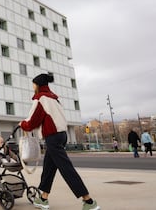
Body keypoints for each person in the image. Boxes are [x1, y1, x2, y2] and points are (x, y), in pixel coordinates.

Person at [18, 73, 100, 210]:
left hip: (53, 137)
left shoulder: (41, 98)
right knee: (49, 168)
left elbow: (32, 121)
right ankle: (43, 198)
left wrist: (22, 124)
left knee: (66, 168)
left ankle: (89, 201)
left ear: (38, 85)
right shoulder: (54, 98)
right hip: (62, 135)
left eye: (33, 84)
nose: (32, 87)